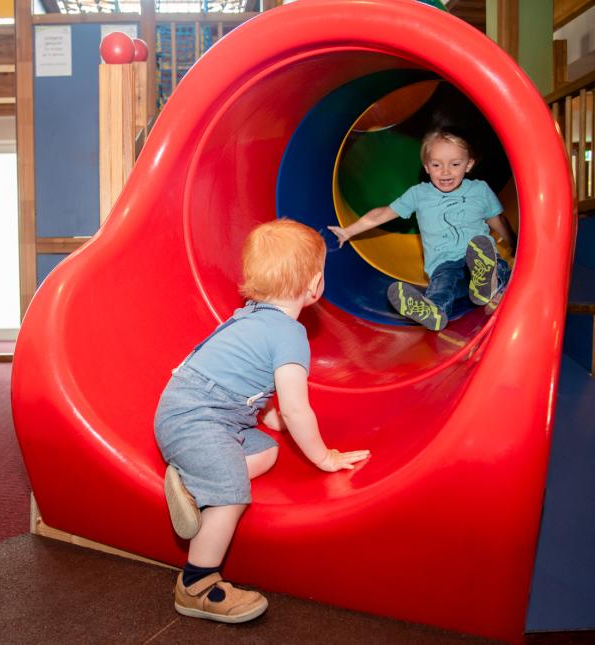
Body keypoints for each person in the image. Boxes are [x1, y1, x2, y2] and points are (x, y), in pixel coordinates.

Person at [154, 218, 370, 624]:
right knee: (232, 494)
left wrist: (267, 415)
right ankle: (196, 585)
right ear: (315, 284)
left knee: (267, 449)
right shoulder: (289, 334)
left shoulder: (250, 316)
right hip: (197, 418)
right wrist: (323, 457)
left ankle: (192, 479)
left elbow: (247, 380)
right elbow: (295, 408)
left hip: (191, 410)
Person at [328, 128, 516, 331]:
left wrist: (515, 244)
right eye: (437, 165)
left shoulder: (479, 189)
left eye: (455, 164)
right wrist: (348, 231)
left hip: (478, 256)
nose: (445, 171)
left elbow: (495, 220)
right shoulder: (419, 194)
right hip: (445, 265)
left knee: (490, 259)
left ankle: (489, 284)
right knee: (442, 288)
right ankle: (434, 310)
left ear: (468, 164)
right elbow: (383, 213)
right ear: (427, 167)